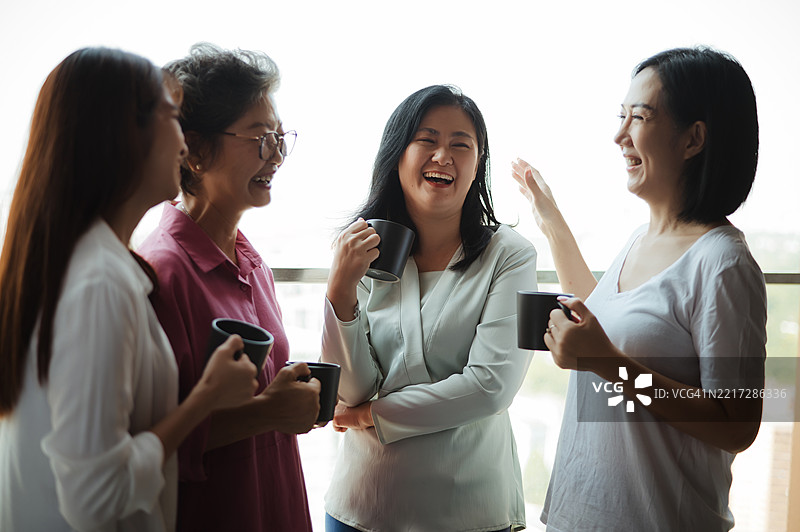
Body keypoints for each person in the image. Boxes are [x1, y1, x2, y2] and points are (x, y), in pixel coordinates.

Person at [0, 47, 258, 532]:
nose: (184, 146)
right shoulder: (100, 282)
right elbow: (96, 495)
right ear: (119, 134)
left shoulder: (85, 263)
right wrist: (203, 400)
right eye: (171, 118)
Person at [512, 46, 766, 531]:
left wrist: (607, 363)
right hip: (579, 516)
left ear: (694, 138)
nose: (618, 135)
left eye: (639, 117)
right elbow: (608, 324)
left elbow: (737, 422)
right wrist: (552, 223)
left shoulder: (723, 263)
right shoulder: (640, 240)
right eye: (621, 115)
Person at [322, 85, 537, 532]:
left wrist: (373, 416)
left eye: (462, 145)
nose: (444, 155)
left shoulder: (508, 254)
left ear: (478, 167)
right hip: (361, 504)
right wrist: (340, 290)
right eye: (427, 140)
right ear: (397, 154)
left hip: (471, 510)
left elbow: (491, 386)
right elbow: (350, 392)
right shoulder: (360, 251)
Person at [136, 43, 320, 532]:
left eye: (281, 136)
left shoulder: (252, 261)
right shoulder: (163, 270)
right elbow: (148, 440)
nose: (277, 154)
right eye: (261, 138)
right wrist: (270, 413)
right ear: (194, 151)